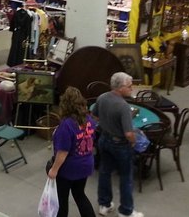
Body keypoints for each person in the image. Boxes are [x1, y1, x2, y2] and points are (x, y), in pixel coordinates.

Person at [92, 72, 143, 217]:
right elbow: (128, 133)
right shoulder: (123, 106)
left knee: (104, 172)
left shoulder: (102, 97)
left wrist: (106, 124)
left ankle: (104, 204)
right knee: (126, 177)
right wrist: (133, 142)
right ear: (120, 88)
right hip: (120, 145)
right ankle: (126, 211)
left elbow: (94, 116)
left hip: (104, 140)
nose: (131, 88)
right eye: (129, 86)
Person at [48, 86, 97, 217]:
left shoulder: (66, 125)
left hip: (69, 169)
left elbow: (62, 153)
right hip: (86, 163)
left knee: (61, 200)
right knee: (80, 195)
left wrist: (54, 170)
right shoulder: (90, 121)